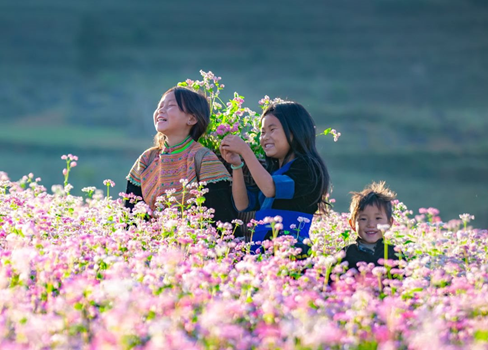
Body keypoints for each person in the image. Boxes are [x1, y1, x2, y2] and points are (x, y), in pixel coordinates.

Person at [220, 101, 330, 256]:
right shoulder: (271, 173)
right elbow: (242, 204)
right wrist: (237, 166)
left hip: (292, 251)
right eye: (263, 132)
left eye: (272, 130)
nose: (265, 137)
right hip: (262, 249)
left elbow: (271, 189)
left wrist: (245, 151)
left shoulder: (308, 167)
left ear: (294, 131)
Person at [125, 86, 238, 230]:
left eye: (171, 106)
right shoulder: (146, 159)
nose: (160, 110)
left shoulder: (204, 159)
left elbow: (221, 220)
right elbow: (130, 217)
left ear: (192, 118)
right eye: (160, 106)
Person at [343, 181, 399, 270]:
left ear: (390, 223)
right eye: (363, 219)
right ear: (352, 224)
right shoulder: (346, 253)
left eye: (378, 218)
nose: (371, 225)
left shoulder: (395, 253)